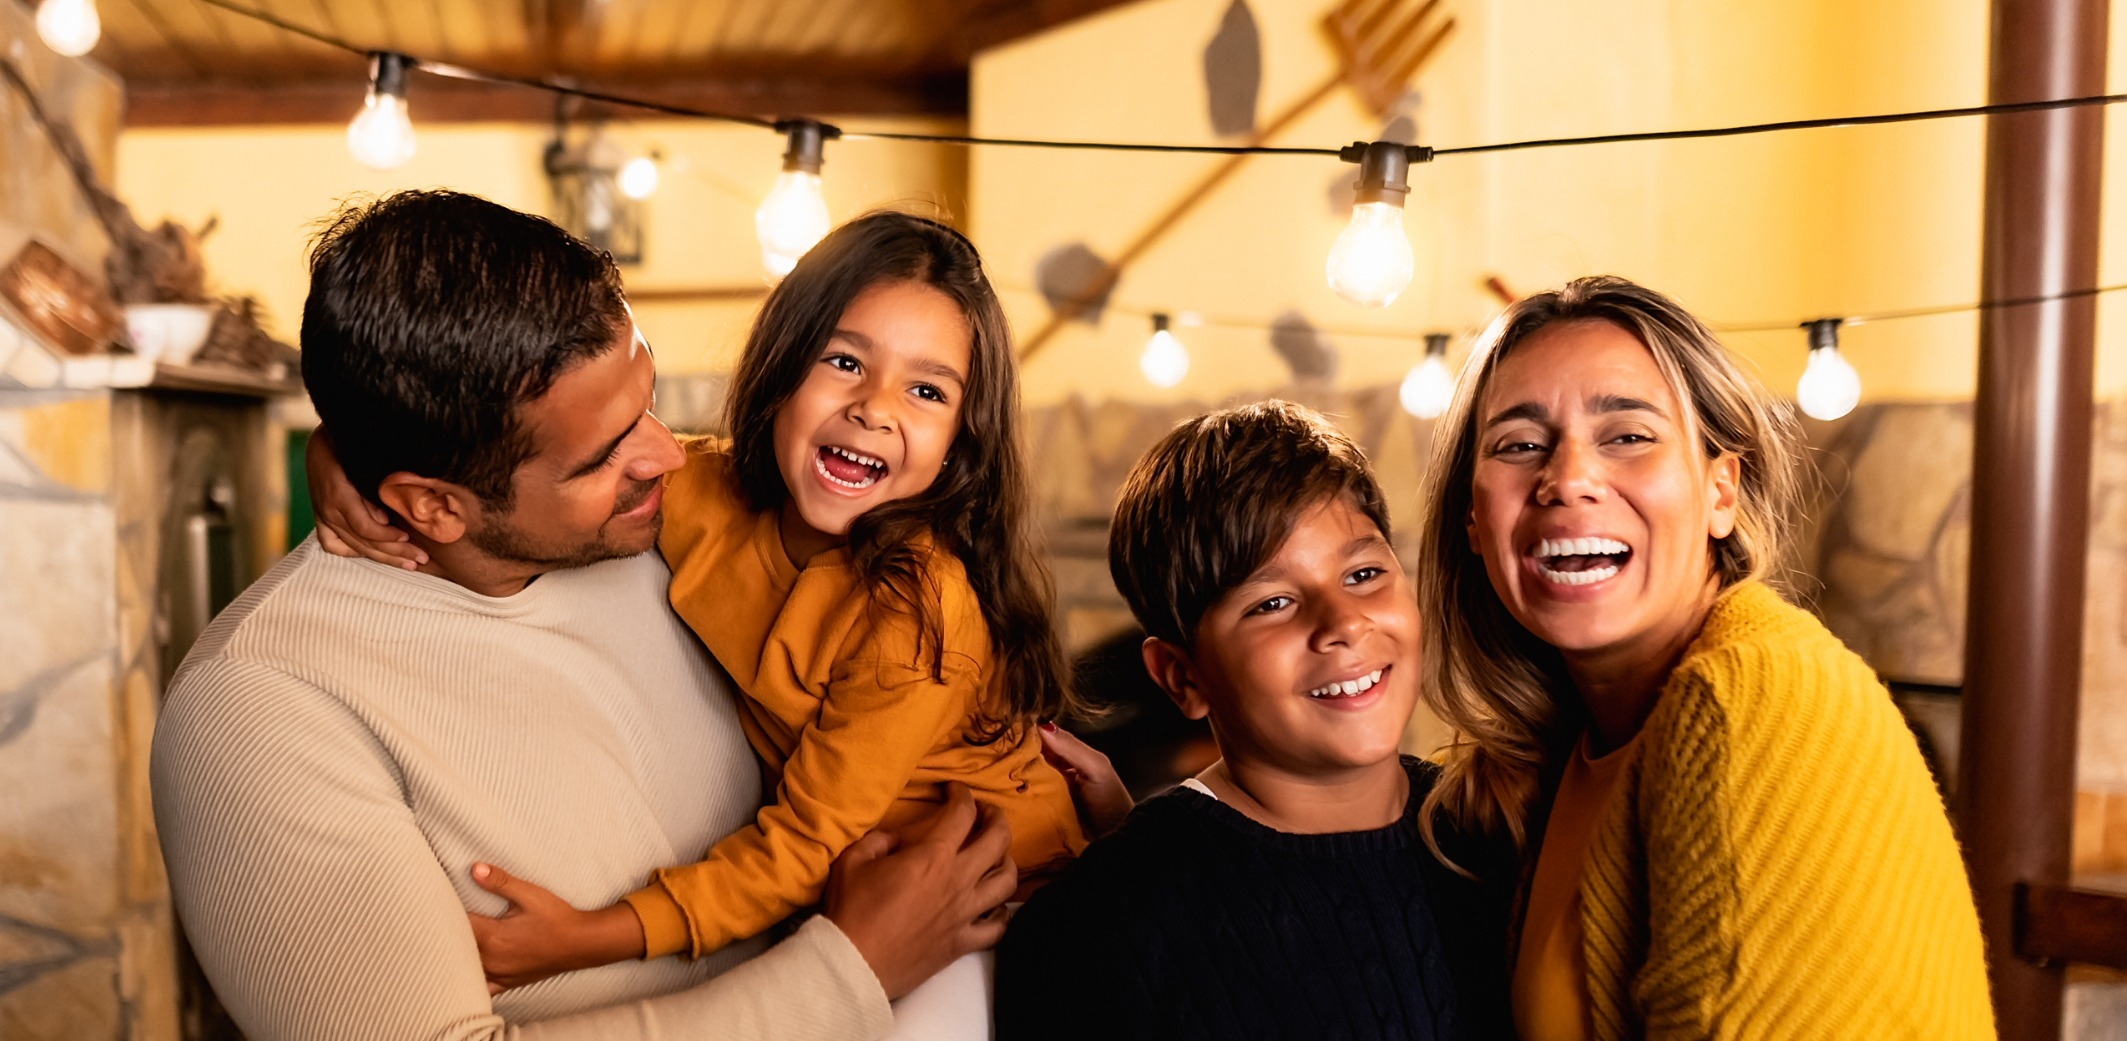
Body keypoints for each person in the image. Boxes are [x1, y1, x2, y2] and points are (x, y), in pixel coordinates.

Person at [151, 190, 1022, 1041]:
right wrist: (853, 969)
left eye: (644, 401)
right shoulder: (258, 712)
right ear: (432, 505)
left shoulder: (645, 534)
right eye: (607, 452)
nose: (663, 452)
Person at [1413, 275, 1995, 1040]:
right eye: (1519, 445)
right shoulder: (1572, 755)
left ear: (1722, 490)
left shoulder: (1749, 695)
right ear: (1471, 523)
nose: (1568, 480)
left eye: (1626, 435)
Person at [994, 401, 1516, 1041]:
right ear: (1182, 678)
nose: (1343, 623)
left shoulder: (1496, 837)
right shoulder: (1102, 926)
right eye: (1271, 602)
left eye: (1363, 573)